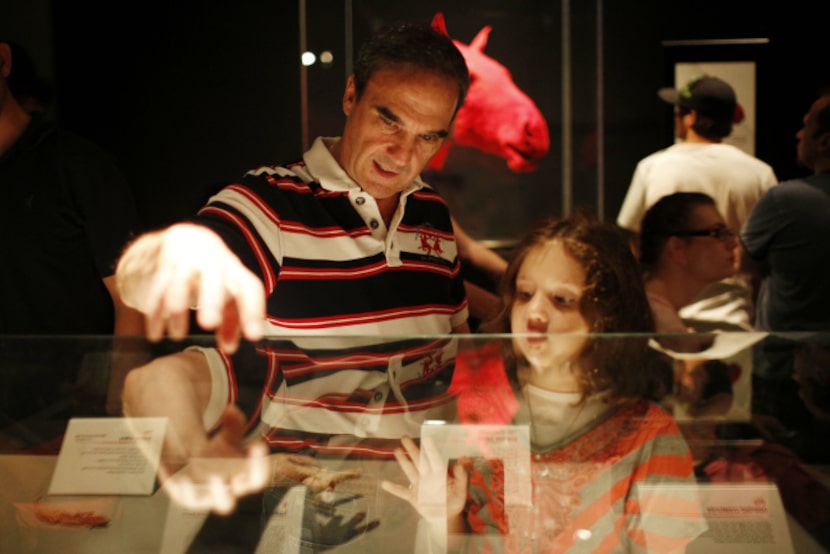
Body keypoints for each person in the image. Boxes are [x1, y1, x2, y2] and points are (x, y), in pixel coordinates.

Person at [117, 21, 472, 513]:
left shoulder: (430, 210)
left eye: (428, 137)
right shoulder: (271, 204)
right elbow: (148, 289)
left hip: (423, 507)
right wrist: (170, 257)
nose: (404, 155)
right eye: (389, 120)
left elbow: (463, 343)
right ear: (351, 95)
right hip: (310, 505)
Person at [382, 214, 705, 552]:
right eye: (524, 294)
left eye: (561, 299)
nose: (534, 313)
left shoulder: (649, 434)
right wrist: (442, 520)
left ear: (607, 314)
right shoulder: (476, 411)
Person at [0, 40, 143, 336]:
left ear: (3, 60)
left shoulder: (76, 165)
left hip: (73, 379)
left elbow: (133, 301)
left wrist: (121, 383)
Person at [617, 74, 777, 331]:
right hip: (733, 315)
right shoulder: (759, 174)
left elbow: (634, 242)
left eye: (678, 112)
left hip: (665, 311)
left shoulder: (653, 167)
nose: (676, 118)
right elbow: (766, 255)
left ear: (691, 117)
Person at [740, 92, 830, 435]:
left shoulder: (785, 199)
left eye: (805, 127)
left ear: (825, 142)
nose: (797, 135)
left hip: (785, 367)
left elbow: (747, 264)